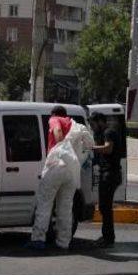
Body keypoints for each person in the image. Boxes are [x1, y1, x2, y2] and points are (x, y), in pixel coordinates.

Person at [27, 106, 93, 251]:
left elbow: (57, 132)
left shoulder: (55, 119)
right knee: (65, 207)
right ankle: (63, 242)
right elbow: (90, 145)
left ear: (54, 114)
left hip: (56, 165)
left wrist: (61, 148)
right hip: (71, 170)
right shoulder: (78, 126)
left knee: (45, 203)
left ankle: (38, 239)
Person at [89, 112, 123, 248]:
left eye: (93, 124)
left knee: (105, 207)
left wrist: (90, 148)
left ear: (100, 121)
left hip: (110, 174)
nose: (93, 127)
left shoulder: (109, 132)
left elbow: (108, 149)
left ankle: (108, 238)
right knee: (105, 207)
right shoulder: (107, 132)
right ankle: (107, 236)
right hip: (110, 173)